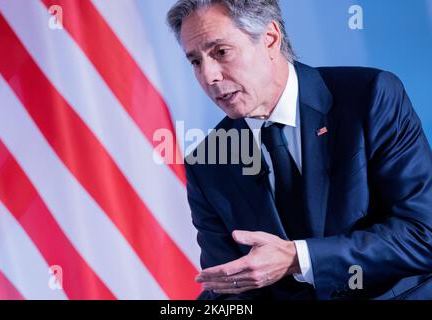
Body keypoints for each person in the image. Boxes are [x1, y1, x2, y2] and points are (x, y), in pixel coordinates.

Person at [166, 0, 432, 300]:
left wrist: (298, 257)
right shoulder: (209, 159)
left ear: (270, 38)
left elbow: (422, 234)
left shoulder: (369, 97)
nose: (209, 76)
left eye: (221, 52)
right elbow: (231, 290)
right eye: (195, 62)